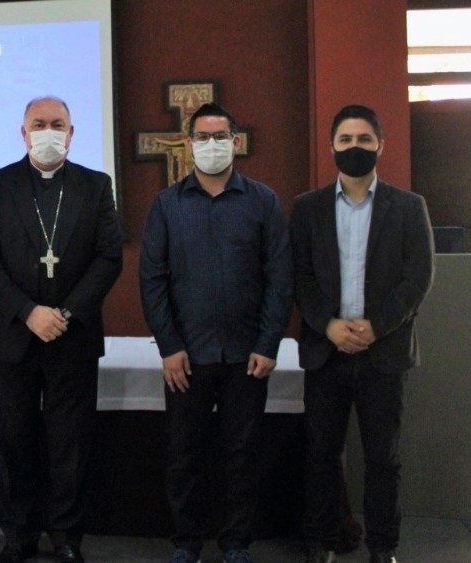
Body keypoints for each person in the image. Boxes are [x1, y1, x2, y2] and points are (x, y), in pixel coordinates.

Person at [0, 96, 123, 563]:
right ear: (23, 133)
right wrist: (28, 311)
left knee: (70, 443)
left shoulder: (96, 186)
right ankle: (18, 536)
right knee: (13, 441)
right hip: (12, 334)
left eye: (58, 124)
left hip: (73, 335)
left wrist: (66, 312)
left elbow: (108, 257)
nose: (48, 132)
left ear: (71, 133)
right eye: (39, 124)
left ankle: (67, 538)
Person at [139, 103, 292, 563]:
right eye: (202, 137)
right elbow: (152, 280)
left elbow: (280, 277)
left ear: (235, 142)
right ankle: (186, 542)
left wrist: (268, 342)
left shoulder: (262, 201)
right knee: (184, 454)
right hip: (186, 357)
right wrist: (169, 346)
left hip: (247, 355)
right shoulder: (167, 204)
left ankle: (236, 543)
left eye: (220, 136)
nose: (212, 145)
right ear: (189, 145)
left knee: (241, 454)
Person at [293, 105, 434, 563]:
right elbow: (299, 276)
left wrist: (375, 327)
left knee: (383, 459)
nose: (355, 147)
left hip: (384, 351)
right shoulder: (307, 208)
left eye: (364, 139)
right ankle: (322, 542)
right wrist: (328, 325)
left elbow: (418, 277)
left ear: (380, 146)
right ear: (332, 146)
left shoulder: (409, 207)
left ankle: (382, 547)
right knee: (321, 455)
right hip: (326, 351)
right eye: (346, 140)